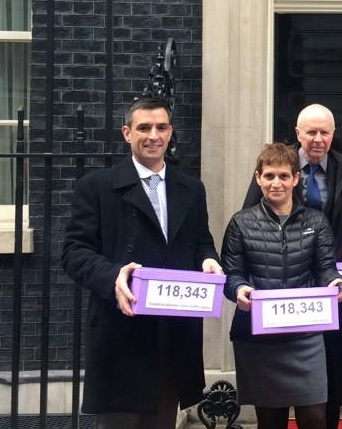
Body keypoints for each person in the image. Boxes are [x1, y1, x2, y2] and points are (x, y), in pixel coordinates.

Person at [61, 97, 223, 429]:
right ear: (127, 133)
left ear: (170, 132)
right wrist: (112, 276)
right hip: (121, 332)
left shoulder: (191, 189)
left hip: (172, 335)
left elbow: (201, 242)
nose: (153, 136)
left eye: (161, 127)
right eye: (144, 128)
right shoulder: (97, 187)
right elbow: (74, 252)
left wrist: (209, 259)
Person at [242, 103, 342, 429]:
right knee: (277, 386)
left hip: (331, 288)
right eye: (311, 132)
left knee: (330, 381)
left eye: (324, 132)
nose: (317, 139)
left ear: (333, 134)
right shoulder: (275, 169)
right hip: (282, 289)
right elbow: (249, 219)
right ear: (298, 133)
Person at [222, 142, 342, 429]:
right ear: (258, 178)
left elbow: (325, 268)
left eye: (283, 176)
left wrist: (335, 282)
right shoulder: (240, 223)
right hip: (259, 339)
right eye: (269, 176)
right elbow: (232, 274)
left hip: (305, 336)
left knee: (315, 419)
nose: (275, 183)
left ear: (295, 178)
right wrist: (239, 289)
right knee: (271, 423)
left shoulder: (316, 221)